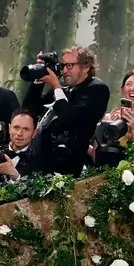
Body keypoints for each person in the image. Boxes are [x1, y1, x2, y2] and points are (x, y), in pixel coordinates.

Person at [21, 45, 110, 174]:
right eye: (63, 66)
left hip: (66, 167)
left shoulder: (97, 89)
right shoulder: (62, 88)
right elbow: (28, 110)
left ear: (86, 67)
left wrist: (56, 86)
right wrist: (38, 80)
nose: (65, 71)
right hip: (38, 160)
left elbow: (70, 118)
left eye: (70, 66)